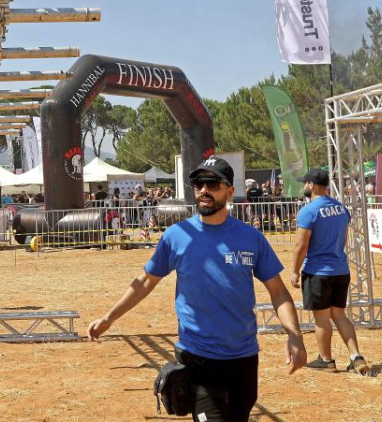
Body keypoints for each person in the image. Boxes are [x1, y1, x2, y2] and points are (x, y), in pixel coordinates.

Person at [88, 156, 306, 422]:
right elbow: (145, 282)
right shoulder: (177, 236)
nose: (204, 189)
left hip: (244, 359)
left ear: (229, 191)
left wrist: (294, 335)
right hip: (198, 358)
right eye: (198, 183)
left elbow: (278, 292)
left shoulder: (251, 238)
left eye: (212, 183)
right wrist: (109, 318)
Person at [290, 168, 369, 375]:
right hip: (340, 269)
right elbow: (343, 240)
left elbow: (301, 245)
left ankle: (326, 360)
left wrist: (294, 271)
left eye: (305, 183)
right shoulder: (342, 208)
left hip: (318, 271)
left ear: (312, 185)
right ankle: (355, 356)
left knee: (322, 318)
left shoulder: (309, 211)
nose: (304, 186)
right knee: (340, 315)